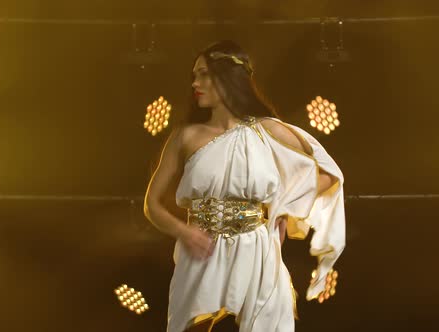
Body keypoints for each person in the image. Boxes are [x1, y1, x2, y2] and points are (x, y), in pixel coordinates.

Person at [144, 40, 345, 332]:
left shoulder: (267, 131)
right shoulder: (184, 137)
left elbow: (327, 172)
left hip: (256, 252)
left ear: (227, 77)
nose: (195, 83)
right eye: (194, 75)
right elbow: (152, 204)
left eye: (203, 74)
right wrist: (184, 231)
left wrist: (281, 210)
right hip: (201, 255)